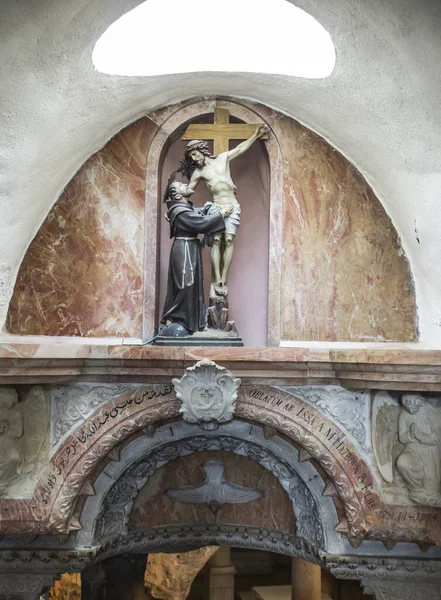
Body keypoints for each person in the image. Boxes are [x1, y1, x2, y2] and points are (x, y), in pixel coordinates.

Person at [183, 125, 268, 298]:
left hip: (232, 206)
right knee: (216, 240)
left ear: (201, 150)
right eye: (190, 156)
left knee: (228, 240)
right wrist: (174, 205)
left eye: (194, 154)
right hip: (216, 207)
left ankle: (223, 278)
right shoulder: (199, 172)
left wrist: (255, 135)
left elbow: (239, 149)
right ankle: (217, 281)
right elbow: (187, 190)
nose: (193, 158)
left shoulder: (222, 159)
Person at [160, 181, 233, 335]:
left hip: (189, 247)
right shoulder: (179, 211)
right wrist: (221, 214)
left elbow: (194, 213)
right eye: (181, 185)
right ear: (178, 195)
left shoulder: (183, 209)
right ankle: (179, 319)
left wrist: (205, 208)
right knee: (186, 284)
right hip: (184, 249)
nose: (186, 184)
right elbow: (199, 223)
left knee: (192, 285)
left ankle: (190, 321)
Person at [396, 393, 441, 505]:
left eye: (413, 405)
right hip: (412, 448)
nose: (410, 408)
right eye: (407, 405)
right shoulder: (404, 414)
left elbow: (436, 437)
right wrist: (411, 435)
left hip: (429, 450)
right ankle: (415, 490)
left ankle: (429, 492)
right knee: (402, 463)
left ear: (420, 401)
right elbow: (402, 438)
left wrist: (420, 435)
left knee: (430, 490)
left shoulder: (429, 412)